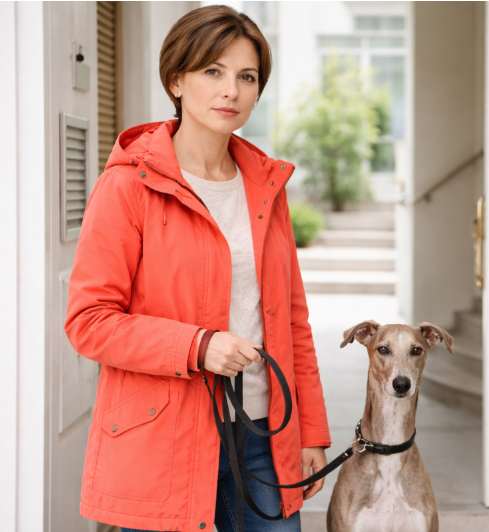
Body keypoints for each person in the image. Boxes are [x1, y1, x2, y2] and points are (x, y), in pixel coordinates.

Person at [65, 6, 330, 531]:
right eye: (213, 71)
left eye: (247, 77)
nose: (231, 90)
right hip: (163, 439)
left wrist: (311, 431)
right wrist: (198, 346)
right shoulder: (128, 185)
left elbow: (292, 320)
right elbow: (89, 321)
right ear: (176, 81)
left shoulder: (266, 187)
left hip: (263, 436)